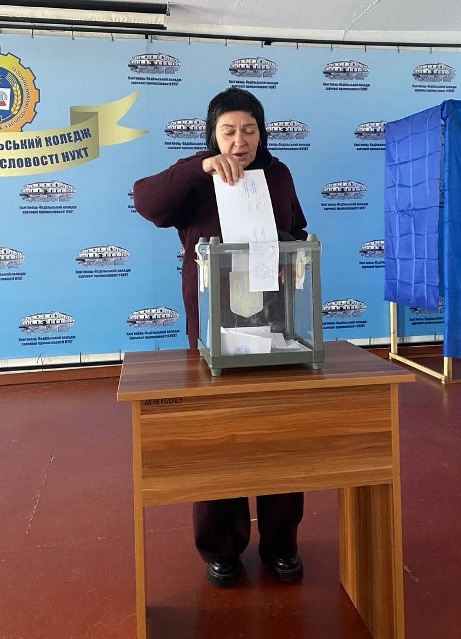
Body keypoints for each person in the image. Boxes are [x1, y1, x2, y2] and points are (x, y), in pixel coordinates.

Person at [133, 87, 307, 587]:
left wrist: (290, 249)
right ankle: (222, 547)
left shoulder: (278, 173)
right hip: (212, 327)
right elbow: (146, 201)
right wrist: (199, 167)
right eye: (228, 131)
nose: (239, 141)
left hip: (272, 322)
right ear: (213, 134)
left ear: (262, 133)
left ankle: (281, 543)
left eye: (249, 130)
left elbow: (297, 227)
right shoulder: (196, 173)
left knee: (277, 434)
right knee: (218, 435)